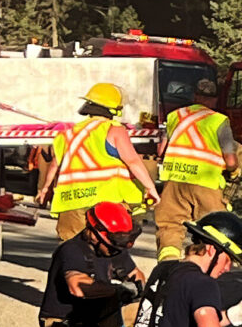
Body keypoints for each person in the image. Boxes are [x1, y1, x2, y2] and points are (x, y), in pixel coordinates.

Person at [16, 201, 144, 327]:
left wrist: (138, 287)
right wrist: (117, 290)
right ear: (93, 233)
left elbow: (137, 276)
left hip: (97, 320)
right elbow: (78, 287)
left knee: (144, 309)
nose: (118, 248)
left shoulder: (114, 249)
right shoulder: (71, 251)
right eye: (115, 243)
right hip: (64, 324)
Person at [37, 82, 161, 241]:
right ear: (114, 109)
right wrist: (150, 188)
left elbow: (55, 164)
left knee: (73, 249)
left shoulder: (67, 134)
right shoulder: (114, 129)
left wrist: (45, 189)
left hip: (71, 200)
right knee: (106, 247)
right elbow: (133, 161)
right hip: (106, 201)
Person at [154, 78, 239, 262]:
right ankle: (202, 270)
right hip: (206, 183)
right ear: (215, 99)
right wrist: (233, 172)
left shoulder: (175, 115)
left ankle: (168, 265)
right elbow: (230, 161)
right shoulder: (219, 121)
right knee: (213, 231)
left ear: (195, 95)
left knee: (170, 226)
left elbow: (161, 150)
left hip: (174, 180)